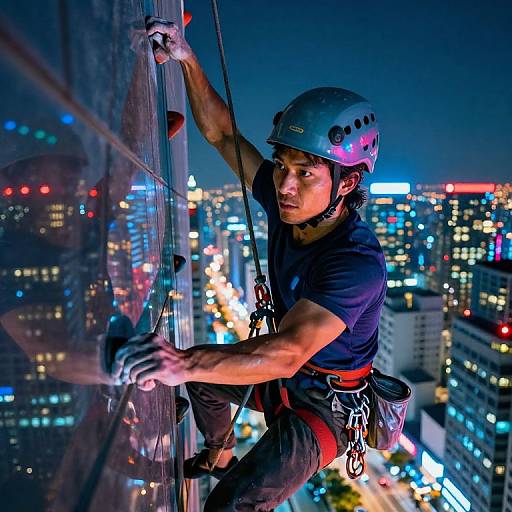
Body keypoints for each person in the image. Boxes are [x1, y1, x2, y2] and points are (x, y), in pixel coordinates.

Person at [114, 16, 387, 511]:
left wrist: (180, 363)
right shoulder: (292, 209)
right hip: (286, 380)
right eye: (282, 165)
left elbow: (287, 352)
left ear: (346, 183)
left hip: (325, 406)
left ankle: (224, 470)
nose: (285, 185)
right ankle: (219, 454)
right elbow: (222, 135)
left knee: (232, 505)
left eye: (306, 173)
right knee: (202, 375)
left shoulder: (355, 263)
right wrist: (186, 59)